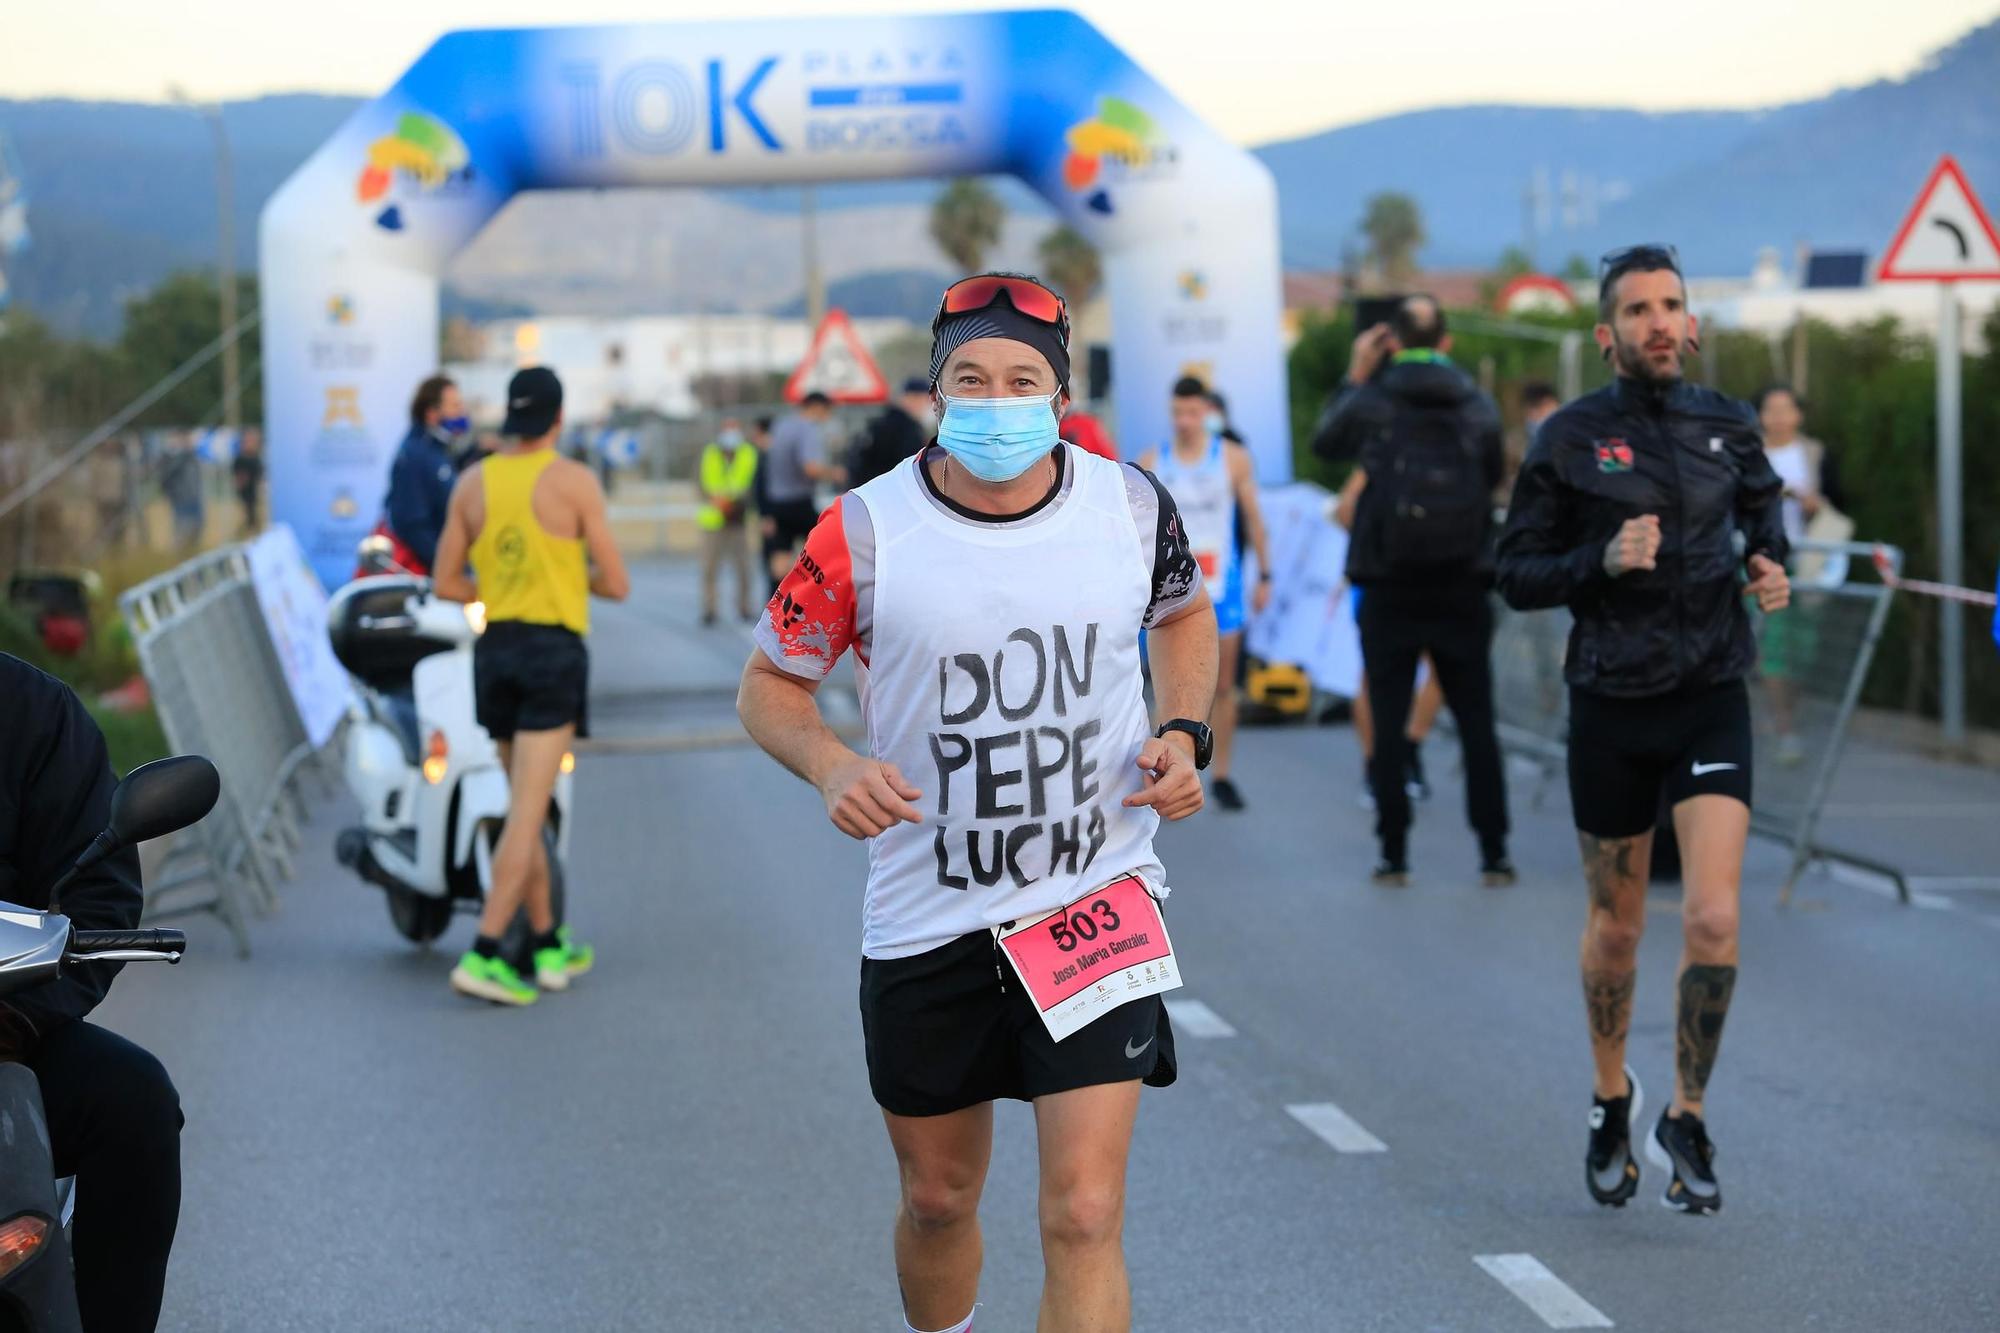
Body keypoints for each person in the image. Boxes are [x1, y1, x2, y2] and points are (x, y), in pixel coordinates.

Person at [739, 271, 1215, 1333]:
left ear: (1058, 397)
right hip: (927, 915)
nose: (993, 399)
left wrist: (1182, 730)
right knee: (937, 1198)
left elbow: (1184, 616)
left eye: (1019, 379)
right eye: (969, 377)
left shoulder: (1128, 505)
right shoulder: (859, 531)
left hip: (1089, 899)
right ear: (935, 388)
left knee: (1086, 1212)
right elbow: (769, 685)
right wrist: (831, 765)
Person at [1497, 243, 1791, 1215]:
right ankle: (1607, 1096)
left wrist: (1767, 566)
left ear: (1691, 322)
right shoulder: (1567, 439)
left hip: (1710, 689)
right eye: (1636, 310)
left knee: (1709, 915)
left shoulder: (1727, 426)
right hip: (1609, 704)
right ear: (1605, 333)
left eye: (1669, 305)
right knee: (1616, 929)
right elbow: (1515, 571)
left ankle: (1687, 1112)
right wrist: (1599, 558)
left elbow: (1762, 516)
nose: (1657, 322)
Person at [432, 367, 629, 1006]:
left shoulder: (471, 481)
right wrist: (568, 576)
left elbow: (445, 583)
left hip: (495, 652)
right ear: (556, 419)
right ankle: (486, 951)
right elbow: (617, 582)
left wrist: (496, 588)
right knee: (528, 809)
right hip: (552, 652)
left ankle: (546, 942)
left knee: (527, 798)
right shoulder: (573, 481)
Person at [1, 654, 182, 1332]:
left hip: (9, 1038)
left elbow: (98, 883)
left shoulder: (35, 712)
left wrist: (18, 1014)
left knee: (136, 1099)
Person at [1312, 296, 1513, 886]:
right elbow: (1495, 471)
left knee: (1391, 716)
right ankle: (1494, 850)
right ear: (1446, 341)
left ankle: (1394, 850)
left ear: (1392, 341)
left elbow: (1327, 443)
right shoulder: (1476, 403)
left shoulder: (1374, 399)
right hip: (1463, 583)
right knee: (1477, 721)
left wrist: (1356, 371)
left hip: (1389, 582)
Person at [1137, 378, 1272, 812]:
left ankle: (1224, 774)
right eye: (1177, 413)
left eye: (1193, 413)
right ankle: (1169, 770)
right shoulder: (1153, 460)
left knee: (1225, 686)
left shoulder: (1230, 458)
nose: (1184, 422)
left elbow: (1252, 518)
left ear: (1207, 413)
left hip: (1221, 587)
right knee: (1166, 686)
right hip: (1171, 590)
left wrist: (1266, 574)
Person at [1755, 384, 1851, 764]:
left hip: (1808, 562)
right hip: (1765, 561)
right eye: (1770, 409)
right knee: (1775, 645)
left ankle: (1786, 713)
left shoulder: (1814, 453)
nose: (1778, 416)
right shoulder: (1750, 454)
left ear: (1798, 414)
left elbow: (1839, 502)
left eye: (1785, 408)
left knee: (1802, 648)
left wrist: (1814, 504)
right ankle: (1784, 726)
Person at [380, 375, 470, 576]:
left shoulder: (438, 450)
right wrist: (449, 568)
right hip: (427, 580)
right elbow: (412, 525)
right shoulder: (415, 455)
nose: (462, 412)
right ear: (431, 413)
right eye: (455, 406)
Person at [762, 391, 843, 594]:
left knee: (780, 558)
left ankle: (774, 604)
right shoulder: (808, 429)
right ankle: (816, 599)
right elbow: (810, 468)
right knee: (825, 549)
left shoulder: (781, 426)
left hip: (777, 501)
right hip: (799, 501)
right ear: (818, 408)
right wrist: (835, 473)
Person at [697, 418, 760, 626]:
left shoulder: (748, 454)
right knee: (709, 568)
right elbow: (702, 483)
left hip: (737, 518)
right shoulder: (710, 453)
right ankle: (710, 609)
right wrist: (717, 500)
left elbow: (751, 484)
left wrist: (733, 502)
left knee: (743, 567)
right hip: (713, 519)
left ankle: (744, 607)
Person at [849, 377, 936, 489]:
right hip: (889, 491)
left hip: (871, 490)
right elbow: (909, 466)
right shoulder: (905, 428)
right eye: (924, 400)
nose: (926, 405)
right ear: (910, 398)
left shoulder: (885, 421)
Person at [158, 432, 205, 551]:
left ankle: (191, 551)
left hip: (195, 497)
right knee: (182, 529)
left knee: (197, 526)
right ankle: (178, 553)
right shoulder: (173, 457)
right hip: (181, 498)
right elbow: (166, 476)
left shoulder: (192, 457)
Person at [230, 427, 265, 535]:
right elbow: (237, 474)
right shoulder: (240, 458)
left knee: (252, 512)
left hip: (253, 489)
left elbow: (259, 473)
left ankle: (250, 530)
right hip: (244, 490)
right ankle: (247, 530)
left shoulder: (255, 458)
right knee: (248, 512)